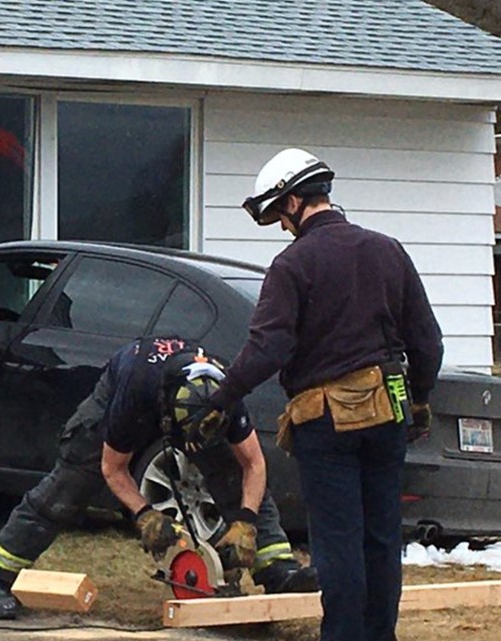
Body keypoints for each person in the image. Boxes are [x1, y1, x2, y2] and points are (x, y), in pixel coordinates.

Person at [207, 148, 443, 641]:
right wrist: (419, 400)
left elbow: (269, 346)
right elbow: (428, 342)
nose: (281, 228)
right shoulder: (388, 249)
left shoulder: (293, 266)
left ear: (295, 201)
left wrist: (222, 397)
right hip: (387, 412)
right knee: (381, 539)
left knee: (338, 542)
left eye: (280, 215)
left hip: (325, 422)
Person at [0, 336, 318, 620]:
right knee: (69, 485)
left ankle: (276, 571)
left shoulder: (226, 392)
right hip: (122, 390)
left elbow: (254, 466)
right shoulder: (135, 395)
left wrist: (245, 523)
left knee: (230, 475)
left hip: (189, 408)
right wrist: (146, 515)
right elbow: (113, 468)